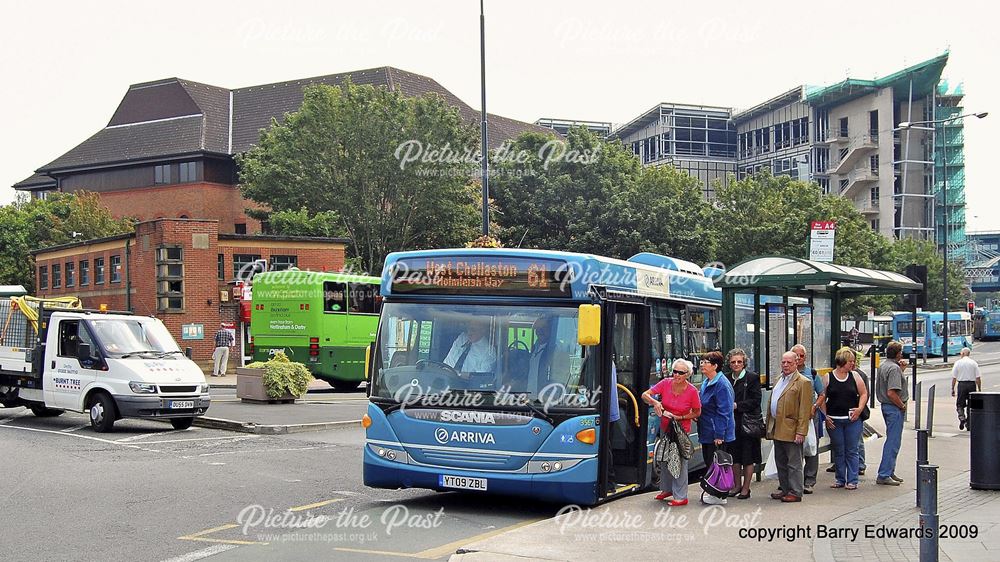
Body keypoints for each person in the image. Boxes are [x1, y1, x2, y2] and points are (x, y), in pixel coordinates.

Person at [642, 359, 701, 507]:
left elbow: (697, 412)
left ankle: (681, 496)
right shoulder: (665, 383)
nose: (676, 375)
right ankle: (667, 489)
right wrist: (655, 402)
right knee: (664, 458)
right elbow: (645, 395)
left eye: (680, 372)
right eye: (675, 371)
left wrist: (680, 417)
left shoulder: (692, 391)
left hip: (681, 431)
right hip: (666, 428)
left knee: (679, 462)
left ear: (687, 374)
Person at [766, 351, 814, 503]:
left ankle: (796, 491)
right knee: (780, 460)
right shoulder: (779, 379)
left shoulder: (803, 382)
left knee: (794, 462)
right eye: (783, 362)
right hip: (777, 426)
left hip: (792, 429)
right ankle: (785, 488)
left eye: (789, 363)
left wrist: (801, 432)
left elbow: (804, 410)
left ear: (796, 363)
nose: (785, 365)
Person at [818, 348, 868, 490]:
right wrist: (825, 416)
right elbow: (822, 397)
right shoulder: (828, 377)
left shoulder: (855, 376)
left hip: (852, 419)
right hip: (834, 420)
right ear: (842, 362)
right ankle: (840, 478)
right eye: (850, 361)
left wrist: (859, 409)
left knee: (852, 449)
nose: (852, 364)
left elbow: (864, 393)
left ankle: (852, 479)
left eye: (853, 361)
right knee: (839, 450)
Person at [726, 348, 761, 499]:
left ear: (744, 363)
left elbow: (756, 400)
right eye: (733, 362)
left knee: (748, 457)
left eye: (739, 361)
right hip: (732, 423)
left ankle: (746, 488)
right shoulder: (726, 378)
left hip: (747, 423)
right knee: (734, 456)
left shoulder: (752, 378)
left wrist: (737, 406)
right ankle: (736, 485)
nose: (736, 364)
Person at [790, 343, 823, 494]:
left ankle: (809, 480)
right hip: (792, 417)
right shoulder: (787, 373)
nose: (798, 359)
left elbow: (822, 394)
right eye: (795, 356)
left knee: (811, 446)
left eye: (801, 356)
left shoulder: (812, 373)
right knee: (792, 449)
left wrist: (815, 407)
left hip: (810, 415)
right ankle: (792, 480)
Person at [875, 341, 908, 486]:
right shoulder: (894, 369)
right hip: (894, 407)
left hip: (886, 406)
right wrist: (902, 405)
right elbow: (892, 392)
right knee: (893, 441)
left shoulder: (884, 365)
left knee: (893, 440)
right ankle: (884, 473)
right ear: (898, 353)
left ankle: (889, 470)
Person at [698, 351, 736, 470]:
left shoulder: (721, 384)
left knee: (717, 471)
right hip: (707, 432)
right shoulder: (706, 382)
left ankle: (721, 489)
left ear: (715, 366)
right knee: (710, 468)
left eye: (706, 362)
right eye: (701, 362)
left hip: (717, 435)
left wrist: (719, 435)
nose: (702, 365)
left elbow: (724, 412)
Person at [950, 347, 982, 431]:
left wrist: (952, 388)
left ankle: (962, 417)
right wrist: (979, 388)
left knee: (959, 404)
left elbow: (954, 377)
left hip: (962, 385)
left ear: (963, 353)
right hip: (972, 385)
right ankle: (969, 424)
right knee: (971, 405)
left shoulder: (958, 363)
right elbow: (978, 377)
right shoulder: (973, 363)